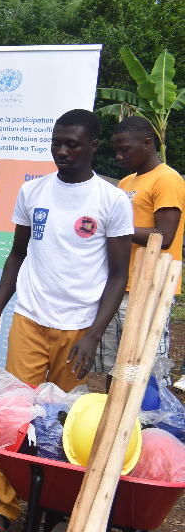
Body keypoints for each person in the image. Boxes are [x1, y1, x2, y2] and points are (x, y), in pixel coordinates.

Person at [0, 109, 133, 532]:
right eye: (56, 143)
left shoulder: (112, 200)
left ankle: (52, 510)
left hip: (78, 330)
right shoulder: (32, 192)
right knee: (14, 416)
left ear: (93, 146)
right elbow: (16, 254)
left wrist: (94, 335)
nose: (62, 152)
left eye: (73, 144)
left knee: (62, 423)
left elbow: (119, 275)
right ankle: (3, 507)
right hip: (30, 319)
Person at [91, 116, 185, 381]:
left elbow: (164, 236)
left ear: (147, 143)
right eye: (116, 150)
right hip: (120, 283)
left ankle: (146, 422)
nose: (119, 156)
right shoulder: (126, 182)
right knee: (115, 366)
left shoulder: (167, 180)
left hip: (150, 286)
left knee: (143, 368)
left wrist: (113, 228)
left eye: (125, 149)